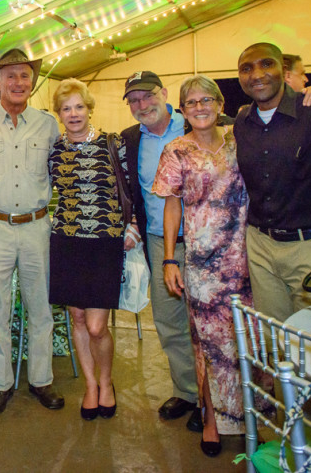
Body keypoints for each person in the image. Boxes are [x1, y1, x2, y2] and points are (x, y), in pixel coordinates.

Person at [154, 75, 260, 457]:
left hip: (248, 258)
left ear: (219, 104)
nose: (199, 107)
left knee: (247, 342)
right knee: (208, 345)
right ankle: (212, 420)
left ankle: (251, 418)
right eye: (191, 102)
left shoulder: (240, 137)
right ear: (182, 109)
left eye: (206, 100)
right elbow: (171, 205)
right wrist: (169, 258)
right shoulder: (176, 150)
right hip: (201, 264)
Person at [0, 48, 64, 415]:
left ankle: (42, 380)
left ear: (32, 82)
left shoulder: (48, 124)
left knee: (41, 306)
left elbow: (63, 174)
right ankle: (0, 383)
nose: (18, 82)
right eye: (10, 76)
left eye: (24, 76)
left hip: (38, 226)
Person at [234, 43, 311, 322]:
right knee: (274, 341)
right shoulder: (242, 122)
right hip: (260, 248)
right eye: (246, 69)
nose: (257, 74)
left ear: (283, 71)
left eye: (266, 64)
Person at [48, 79, 134, 422]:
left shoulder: (113, 144)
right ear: (58, 114)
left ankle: (107, 381)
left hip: (104, 242)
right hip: (67, 241)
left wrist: (135, 227)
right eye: (66, 108)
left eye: (79, 107)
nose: (73, 114)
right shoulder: (54, 149)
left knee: (97, 325)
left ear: (89, 108)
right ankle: (90, 386)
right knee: (78, 318)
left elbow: (131, 189)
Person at [120, 71, 200, 430]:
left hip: (205, 241)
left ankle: (214, 398)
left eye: (147, 96)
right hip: (158, 242)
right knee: (169, 322)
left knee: (209, 324)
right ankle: (188, 392)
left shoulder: (196, 124)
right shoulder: (130, 139)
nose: (141, 105)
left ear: (164, 93)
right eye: (133, 100)